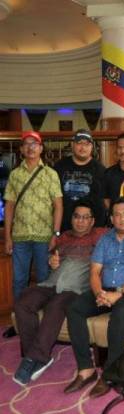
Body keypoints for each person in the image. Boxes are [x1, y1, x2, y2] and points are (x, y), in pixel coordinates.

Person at [64, 197, 124, 398]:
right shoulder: (105, 239)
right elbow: (95, 271)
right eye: (117, 214)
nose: (122, 218)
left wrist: (119, 293)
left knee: (121, 312)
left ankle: (109, 373)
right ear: (111, 219)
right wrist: (100, 294)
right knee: (74, 308)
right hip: (105, 289)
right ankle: (85, 369)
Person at [12, 200, 106, 385]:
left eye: (85, 218)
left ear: (93, 221)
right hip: (51, 283)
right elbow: (52, 256)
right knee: (23, 302)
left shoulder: (101, 235)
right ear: (72, 219)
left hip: (76, 287)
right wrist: (51, 260)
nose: (80, 221)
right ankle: (38, 355)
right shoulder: (63, 237)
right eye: (77, 217)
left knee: (56, 306)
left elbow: (123, 231)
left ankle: (32, 359)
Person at [3, 131, 63, 339]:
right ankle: (20, 323)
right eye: (26, 144)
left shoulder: (50, 174)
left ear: (41, 148)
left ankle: (44, 323)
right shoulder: (14, 175)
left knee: (45, 280)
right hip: (19, 237)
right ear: (21, 149)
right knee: (19, 280)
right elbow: (9, 206)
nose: (30, 147)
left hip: (44, 237)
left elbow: (58, 205)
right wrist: (8, 236)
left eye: (34, 144)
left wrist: (55, 233)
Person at [54, 128, 105, 230]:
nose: (83, 147)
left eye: (86, 144)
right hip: (64, 229)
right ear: (72, 145)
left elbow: (102, 203)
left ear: (91, 147)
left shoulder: (100, 170)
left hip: (91, 231)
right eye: (79, 143)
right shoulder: (60, 167)